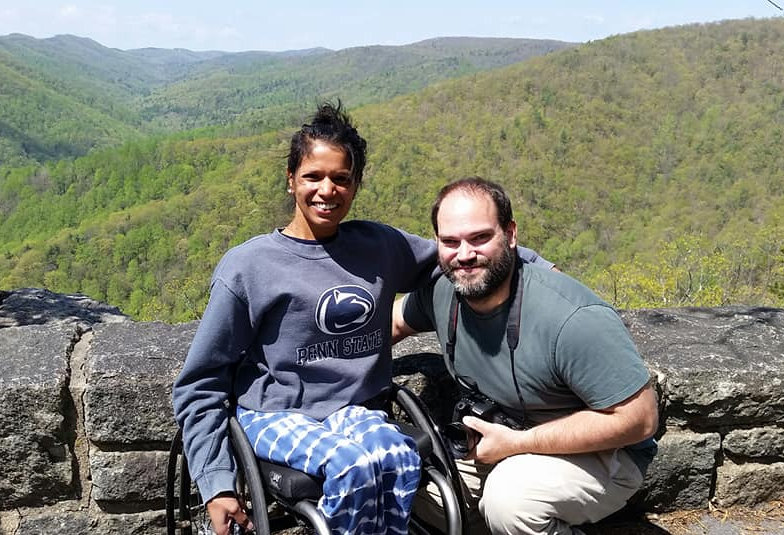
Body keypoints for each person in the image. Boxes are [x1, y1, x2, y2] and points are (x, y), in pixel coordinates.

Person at [172, 103, 553, 535]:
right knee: (352, 466)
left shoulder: (377, 246)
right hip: (275, 413)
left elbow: (460, 258)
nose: (326, 190)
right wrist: (217, 484)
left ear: (355, 185)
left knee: (401, 457)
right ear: (291, 179)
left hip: (354, 409)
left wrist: (544, 274)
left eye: (341, 178)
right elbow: (200, 382)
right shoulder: (249, 267)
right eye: (313, 176)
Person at [392, 177, 659, 535]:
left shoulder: (570, 317)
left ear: (511, 234)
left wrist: (517, 443)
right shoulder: (441, 292)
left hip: (603, 451)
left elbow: (639, 420)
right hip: (503, 441)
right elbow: (385, 327)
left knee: (510, 501)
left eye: (480, 237)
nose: (465, 254)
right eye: (450, 242)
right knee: (397, 479)